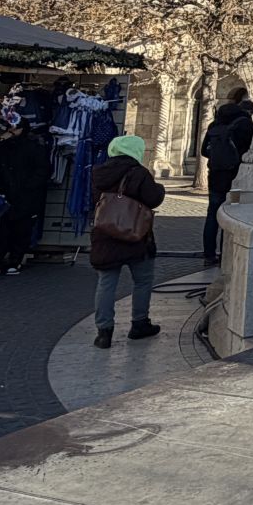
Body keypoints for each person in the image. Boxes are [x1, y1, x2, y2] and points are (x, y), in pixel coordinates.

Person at [90, 134, 165, 349]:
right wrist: (159, 189)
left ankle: (104, 331)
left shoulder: (99, 172)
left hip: (106, 234)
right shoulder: (139, 173)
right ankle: (139, 323)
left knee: (106, 283)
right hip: (135, 235)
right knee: (142, 281)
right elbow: (153, 198)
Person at [0, 115, 51, 275]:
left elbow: (43, 169)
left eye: (16, 128)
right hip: (2, 193)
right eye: (9, 128)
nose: (12, 131)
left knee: (21, 229)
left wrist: (29, 186)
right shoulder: (1, 145)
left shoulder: (33, 147)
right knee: (1, 229)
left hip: (25, 194)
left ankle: (15, 260)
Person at [200, 93, 253, 265]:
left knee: (212, 214)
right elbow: (252, 153)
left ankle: (209, 254)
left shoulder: (214, 125)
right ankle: (227, 254)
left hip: (215, 175)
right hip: (236, 177)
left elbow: (203, 151)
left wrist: (218, 158)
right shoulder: (245, 125)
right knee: (232, 214)